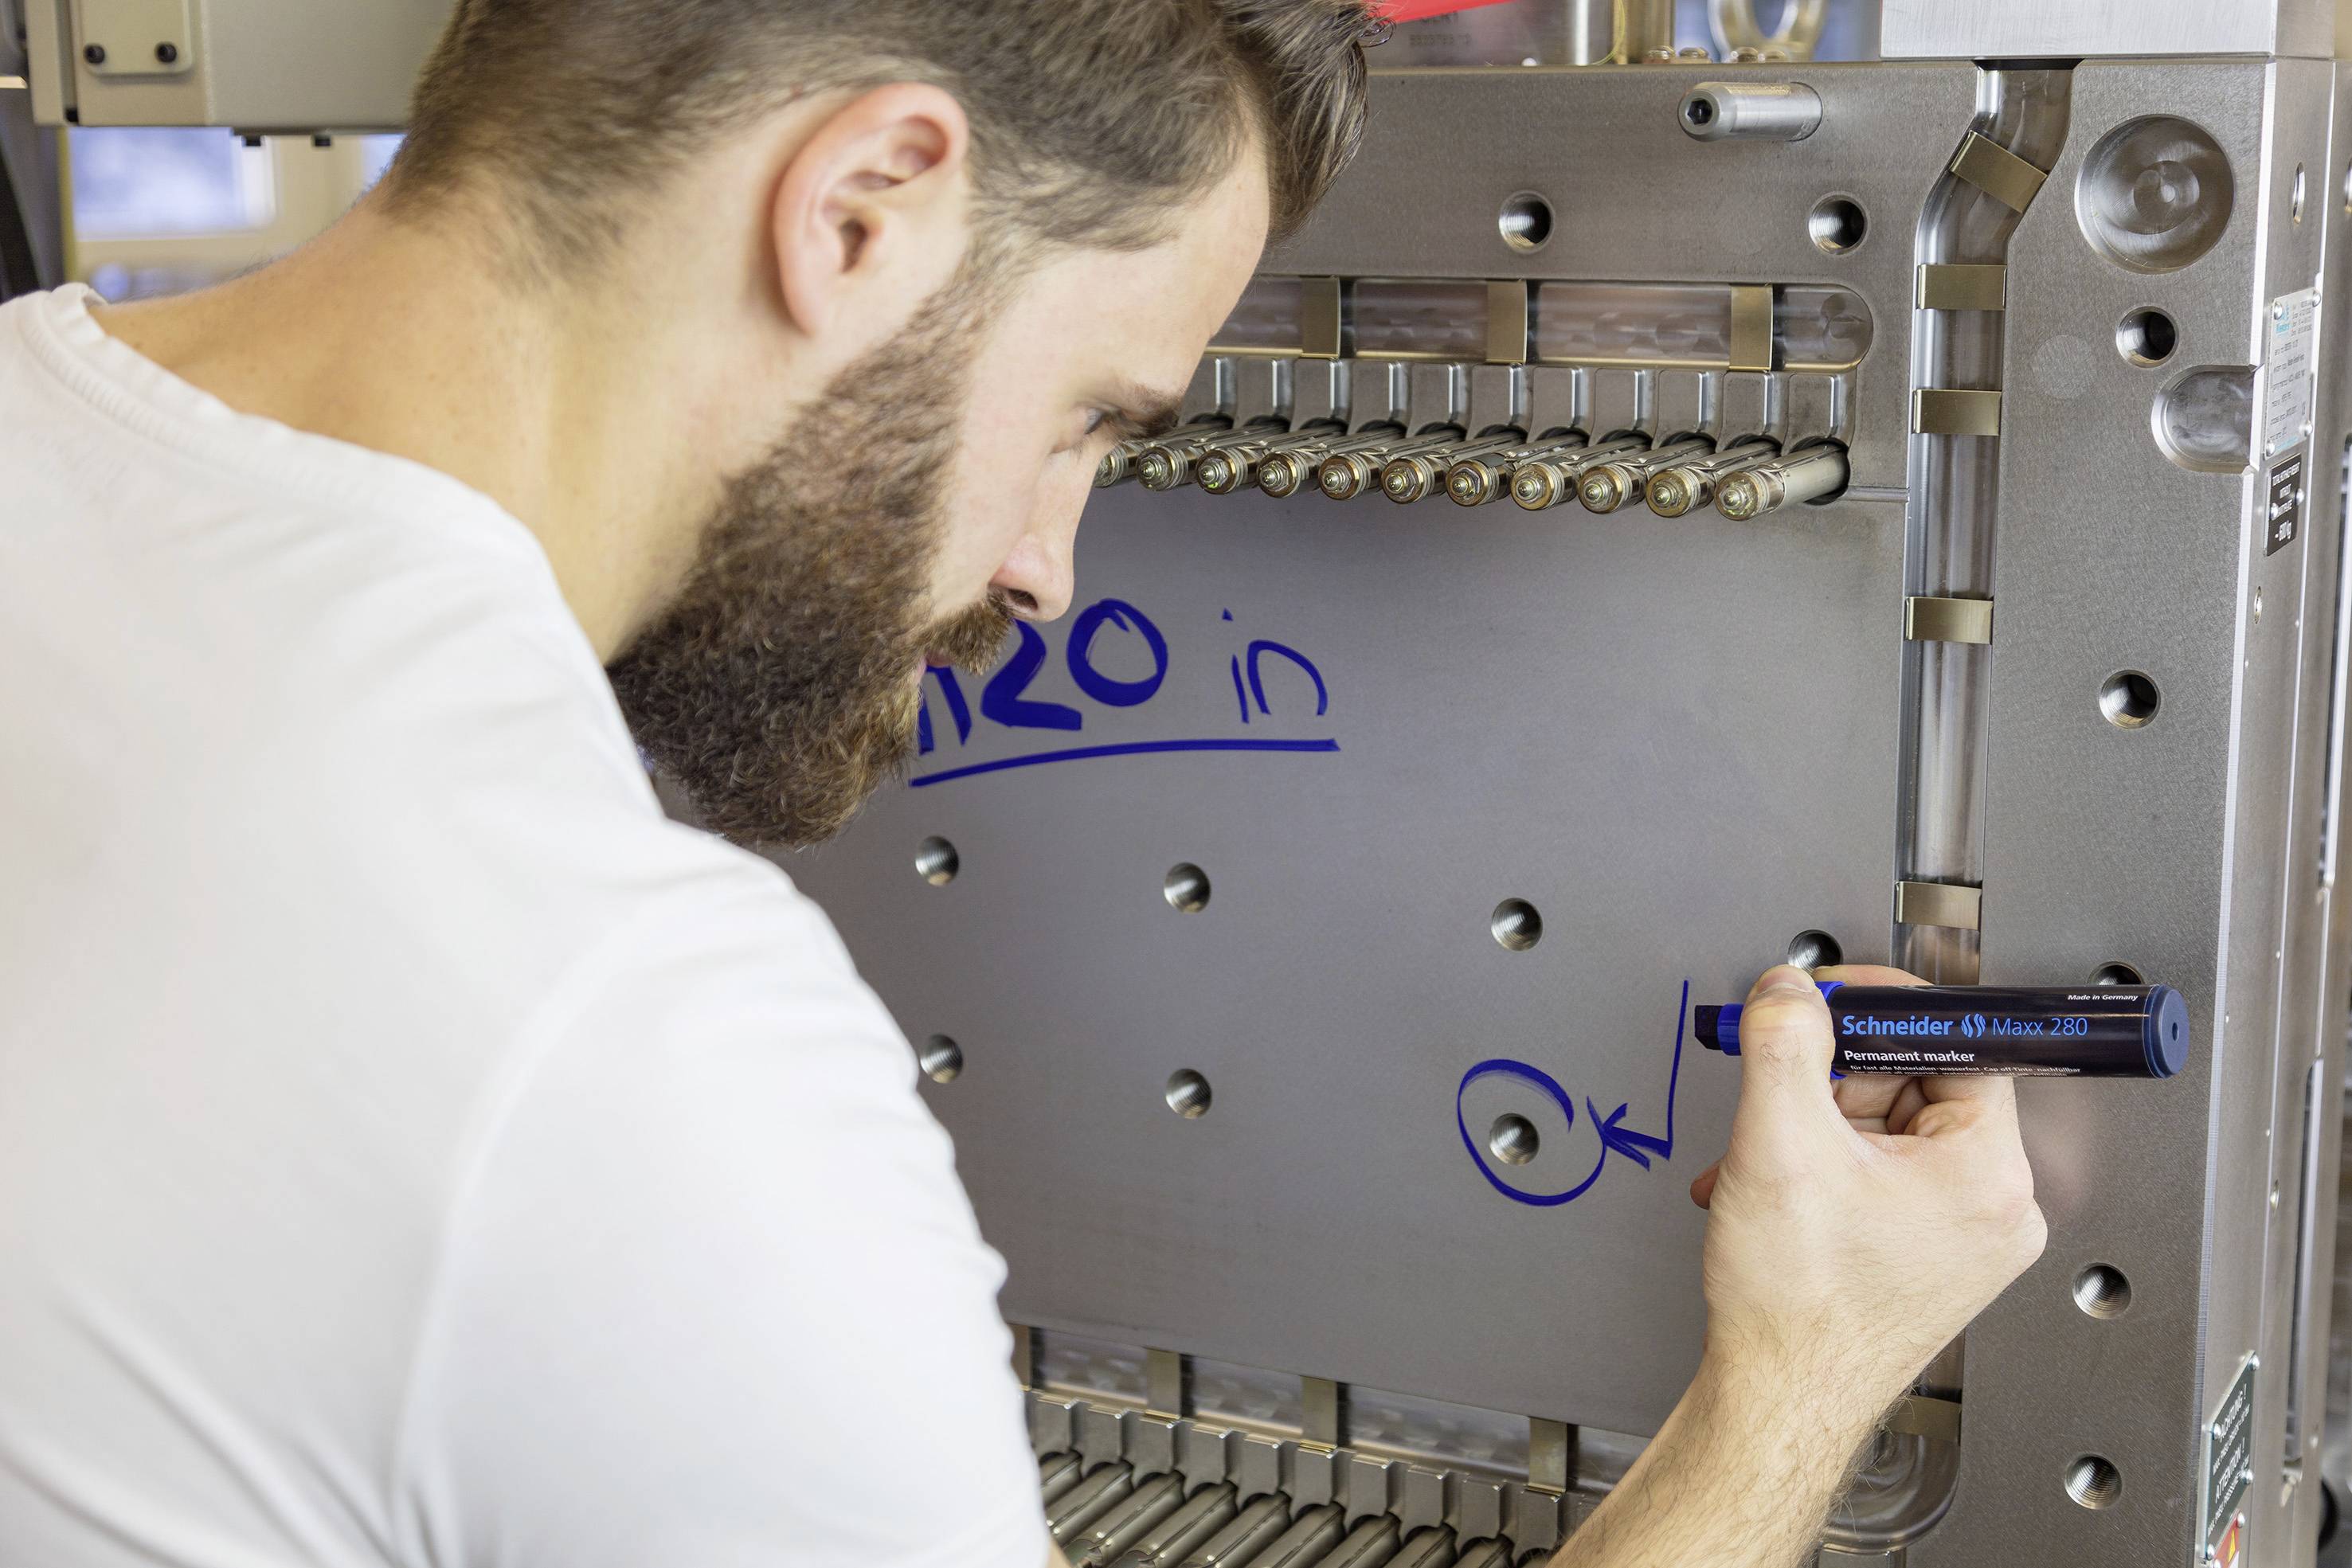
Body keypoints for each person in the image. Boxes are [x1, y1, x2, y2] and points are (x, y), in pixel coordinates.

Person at [0, 2, 2045, 1564]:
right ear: (863, 206)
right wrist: (1802, 1378)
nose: (1048, 575)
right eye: (1086, 412)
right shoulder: (615, 1030)